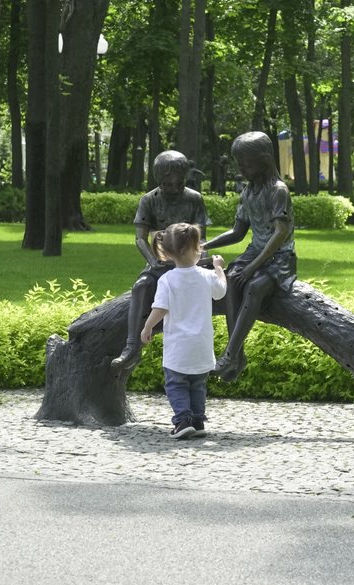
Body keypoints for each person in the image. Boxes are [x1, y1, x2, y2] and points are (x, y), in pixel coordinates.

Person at [203, 131, 296, 382]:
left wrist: (253, 266)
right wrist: (205, 244)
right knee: (232, 279)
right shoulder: (248, 192)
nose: (242, 170)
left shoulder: (278, 191)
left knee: (254, 287)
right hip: (256, 251)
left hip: (280, 257)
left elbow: (280, 234)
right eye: (240, 164)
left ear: (264, 161)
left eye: (247, 164)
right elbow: (238, 232)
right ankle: (237, 356)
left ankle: (230, 354)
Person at [111, 150, 210, 371]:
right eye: (168, 184)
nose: (174, 188)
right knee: (141, 286)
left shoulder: (194, 198)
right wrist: (153, 261)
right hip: (160, 261)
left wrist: (196, 258)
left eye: (179, 183)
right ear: (159, 180)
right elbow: (140, 238)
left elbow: (201, 236)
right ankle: (132, 346)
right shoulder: (149, 200)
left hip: (189, 261)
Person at [140, 223, 227, 439]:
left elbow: (160, 308)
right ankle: (198, 421)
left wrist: (147, 326)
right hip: (202, 345)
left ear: (169, 253)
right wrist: (219, 268)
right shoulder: (206, 275)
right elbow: (220, 292)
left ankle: (182, 421)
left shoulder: (167, 279)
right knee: (198, 384)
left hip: (178, 347)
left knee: (176, 384)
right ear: (197, 249)